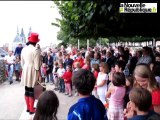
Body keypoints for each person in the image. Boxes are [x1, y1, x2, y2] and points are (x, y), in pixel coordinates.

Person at [21, 33, 42, 114]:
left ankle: (28, 107)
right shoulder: (35, 50)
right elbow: (37, 65)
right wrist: (39, 74)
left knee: (26, 89)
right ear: (36, 42)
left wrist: (25, 69)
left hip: (25, 69)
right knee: (31, 90)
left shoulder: (24, 49)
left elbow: (22, 63)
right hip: (32, 70)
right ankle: (31, 109)